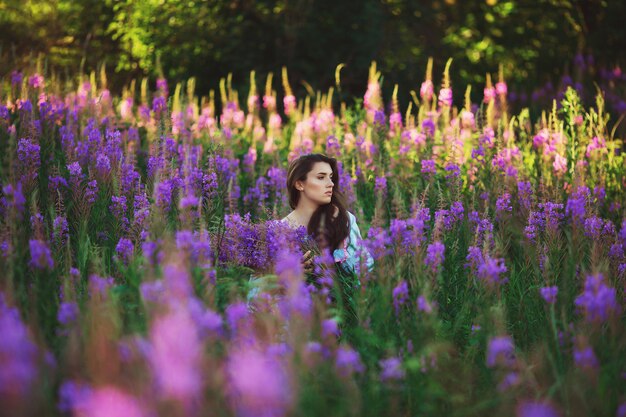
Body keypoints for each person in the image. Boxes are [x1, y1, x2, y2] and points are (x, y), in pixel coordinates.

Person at [282, 153, 373, 277]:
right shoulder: (278, 230)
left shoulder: (344, 219)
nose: (331, 184)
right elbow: (255, 291)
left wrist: (341, 235)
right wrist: (286, 276)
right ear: (299, 184)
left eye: (330, 177)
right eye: (321, 177)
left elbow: (364, 273)